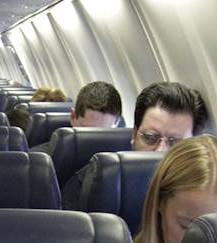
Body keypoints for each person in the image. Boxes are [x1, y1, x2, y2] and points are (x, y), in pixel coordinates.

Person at [62, 81, 207, 208]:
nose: (160, 152)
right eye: (150, 137)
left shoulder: (202, 196)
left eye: (175, 142)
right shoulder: (92, 182)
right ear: (134, 134)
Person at [33, 80, 123, 156]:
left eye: (105, 134)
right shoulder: (40, 162)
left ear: (117, 124)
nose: (95, 141)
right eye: (87, 132)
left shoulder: (123, 165)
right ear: (73, 117)